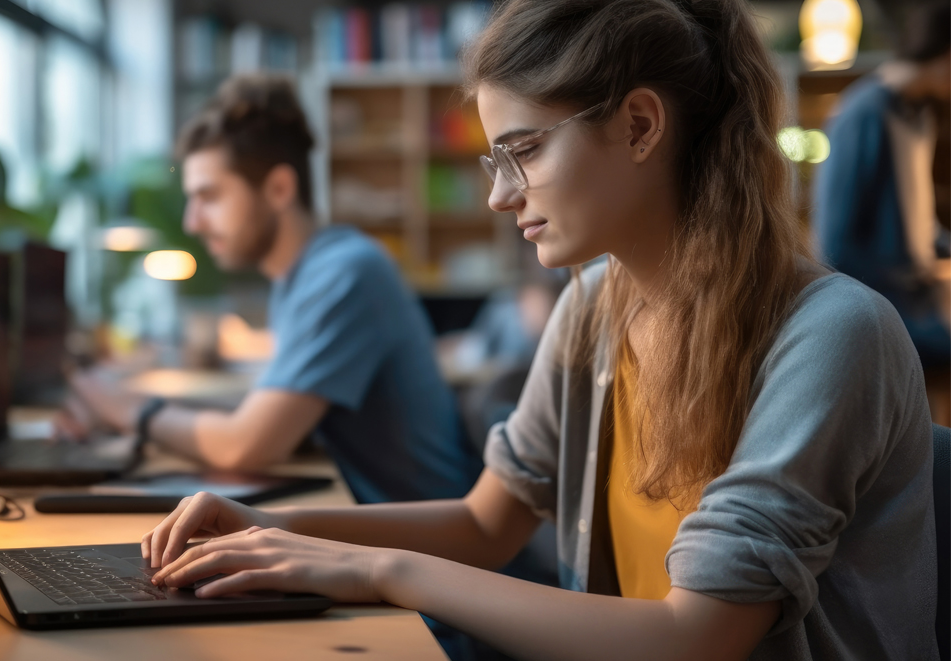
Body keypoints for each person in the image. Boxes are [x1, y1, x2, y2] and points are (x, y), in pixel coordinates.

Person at [134, 1, 939, 658]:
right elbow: (486, 522)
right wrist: (273, 528)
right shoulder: (595, 305)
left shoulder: (834, 334)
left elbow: (698, 634)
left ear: (639, 126)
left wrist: (373, 567)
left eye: (522, 152)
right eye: (495, 162)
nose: (499, 196)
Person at [59, 75, 482, 506]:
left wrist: (129, 409)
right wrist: (130, 409)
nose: (192, 222)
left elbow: (247, 443)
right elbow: (261, 411)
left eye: (209, 196)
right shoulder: (301, 278)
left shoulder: (345, 273)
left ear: (279, 188)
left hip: (434, 550)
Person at [812, 0, 951, 425]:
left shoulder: (918, 117)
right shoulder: (864, 114)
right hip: (887, 316)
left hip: (918, 304)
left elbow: (915, 223)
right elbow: (834, 246)